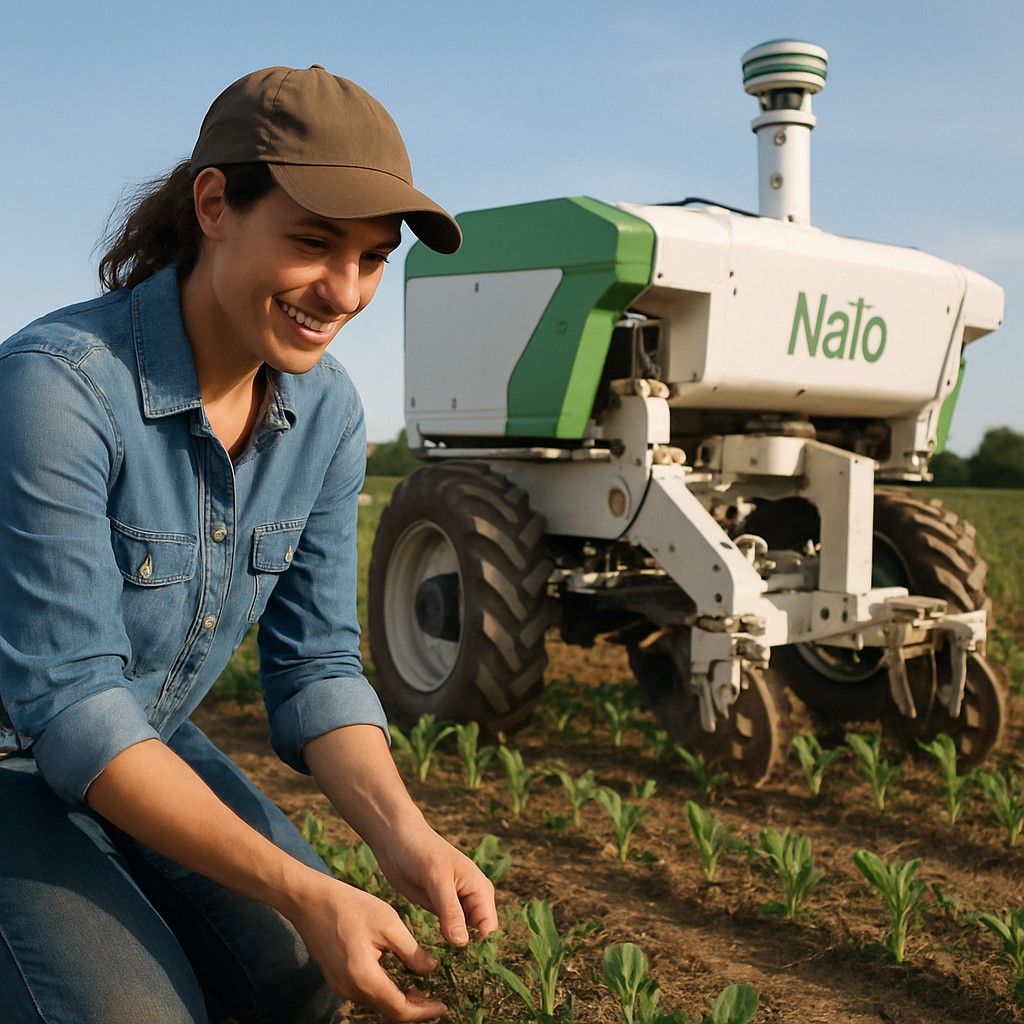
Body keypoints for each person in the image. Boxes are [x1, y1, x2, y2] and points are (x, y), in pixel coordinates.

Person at [0, 65, 496, 1023]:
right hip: (15, 754)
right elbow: (70, 705)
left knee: (299, 982)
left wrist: (404, 837)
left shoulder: (329, 413)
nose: (343, 291)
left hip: (143, 732)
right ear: (216, 203)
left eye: (373, 258)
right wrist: (304, 888)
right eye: (313, 243)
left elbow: (314, 665)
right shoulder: (56, 390)